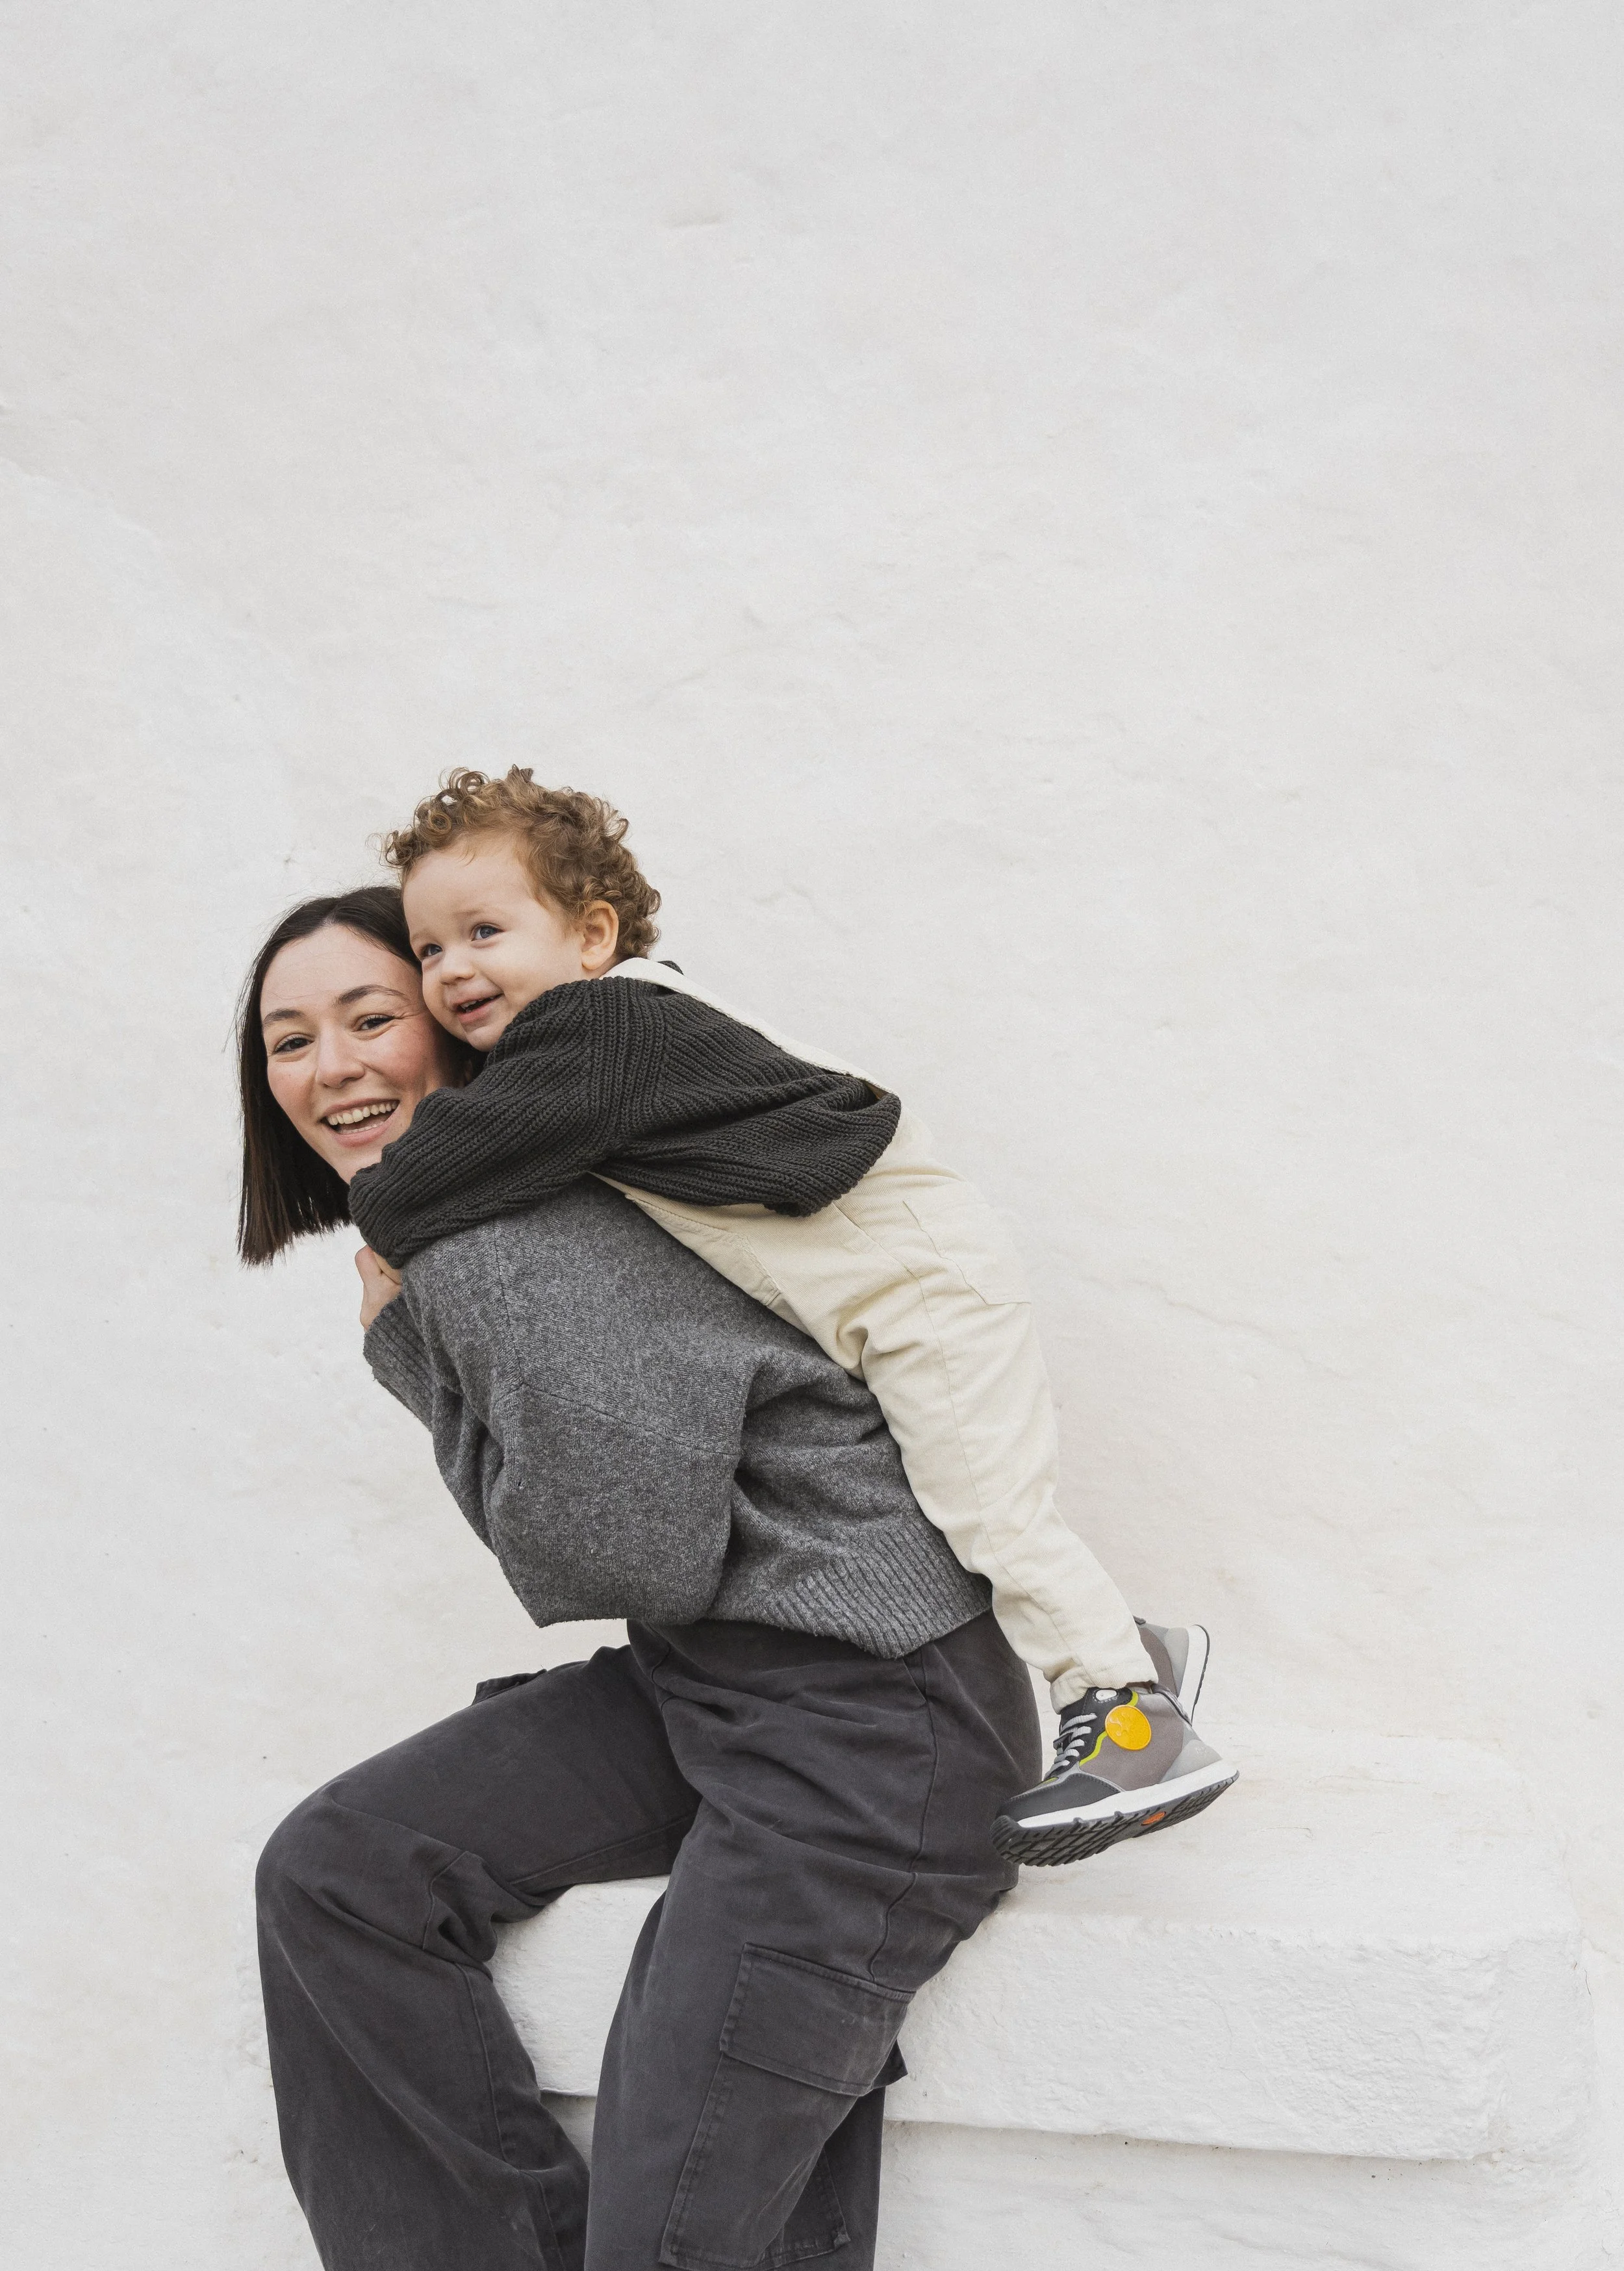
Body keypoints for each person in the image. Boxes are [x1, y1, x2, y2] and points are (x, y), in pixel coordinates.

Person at [240, 886, 1043, 2271]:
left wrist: (405, 1332)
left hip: (876, 1725)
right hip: (722, 1682)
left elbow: (621, 1549)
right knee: (344, 1875)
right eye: (288, 1038)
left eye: (369, 1017)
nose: (329, 1066)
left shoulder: (497, 1235)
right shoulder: (477, 1222)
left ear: (465, 1039)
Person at [347, 767, 1236, 1862]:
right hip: (878, 1290)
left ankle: (1138, 1720)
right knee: (980, 1504)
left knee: (987, 1508)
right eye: (429, 949)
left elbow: (438, 1171)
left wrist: (379, 1213)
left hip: (916, 1286)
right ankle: (1132, 1643)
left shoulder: (599, 1028)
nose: (453, 969)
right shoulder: (607, 1039)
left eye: (485, 930)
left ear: (591, 934)